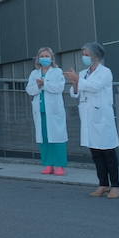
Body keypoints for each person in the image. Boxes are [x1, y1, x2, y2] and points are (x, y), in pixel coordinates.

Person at [65, 43, 119, 198]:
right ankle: (103, 184)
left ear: (96, 55)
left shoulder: (105, 72)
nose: (84, 57)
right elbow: (74, 93)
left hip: (102, 116)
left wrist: (78, 80)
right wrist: (75, 83)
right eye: (83, 53)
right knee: (96, 153)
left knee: (108, 152)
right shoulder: (83, 73)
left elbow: (95, 87)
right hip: (88, 117)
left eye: (87, 54)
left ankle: (115, 185)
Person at [25, 47, 67, 176]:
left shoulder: (57, 71)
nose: (44, 58)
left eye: (47, 56)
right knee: (44, 138)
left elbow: (59, 88)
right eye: (42, 56)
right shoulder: (34, 73)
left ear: (52, 58)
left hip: (54, 110)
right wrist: (38, 86)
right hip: (40, 110)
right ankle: (48, 164)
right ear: (38, 58)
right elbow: (29, 90)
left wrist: (44, 84)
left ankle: (59, 165)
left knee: (57, 137)